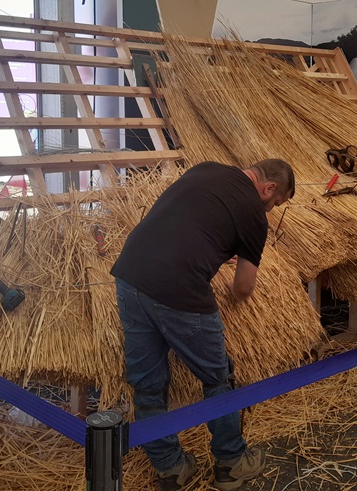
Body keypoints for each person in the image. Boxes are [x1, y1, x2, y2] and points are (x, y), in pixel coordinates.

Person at [110, 159, 295, 491]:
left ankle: (171, 469)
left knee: (148, 385)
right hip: (179, 290)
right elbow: (243, 289)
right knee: (218, 378)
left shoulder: (207, 168)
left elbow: (187, 221)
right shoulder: (254, 213)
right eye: (275, 203)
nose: (269, 209)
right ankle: (232, 464)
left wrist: (214, 249)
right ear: (268, 189)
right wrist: (228, 288)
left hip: (129, 276)